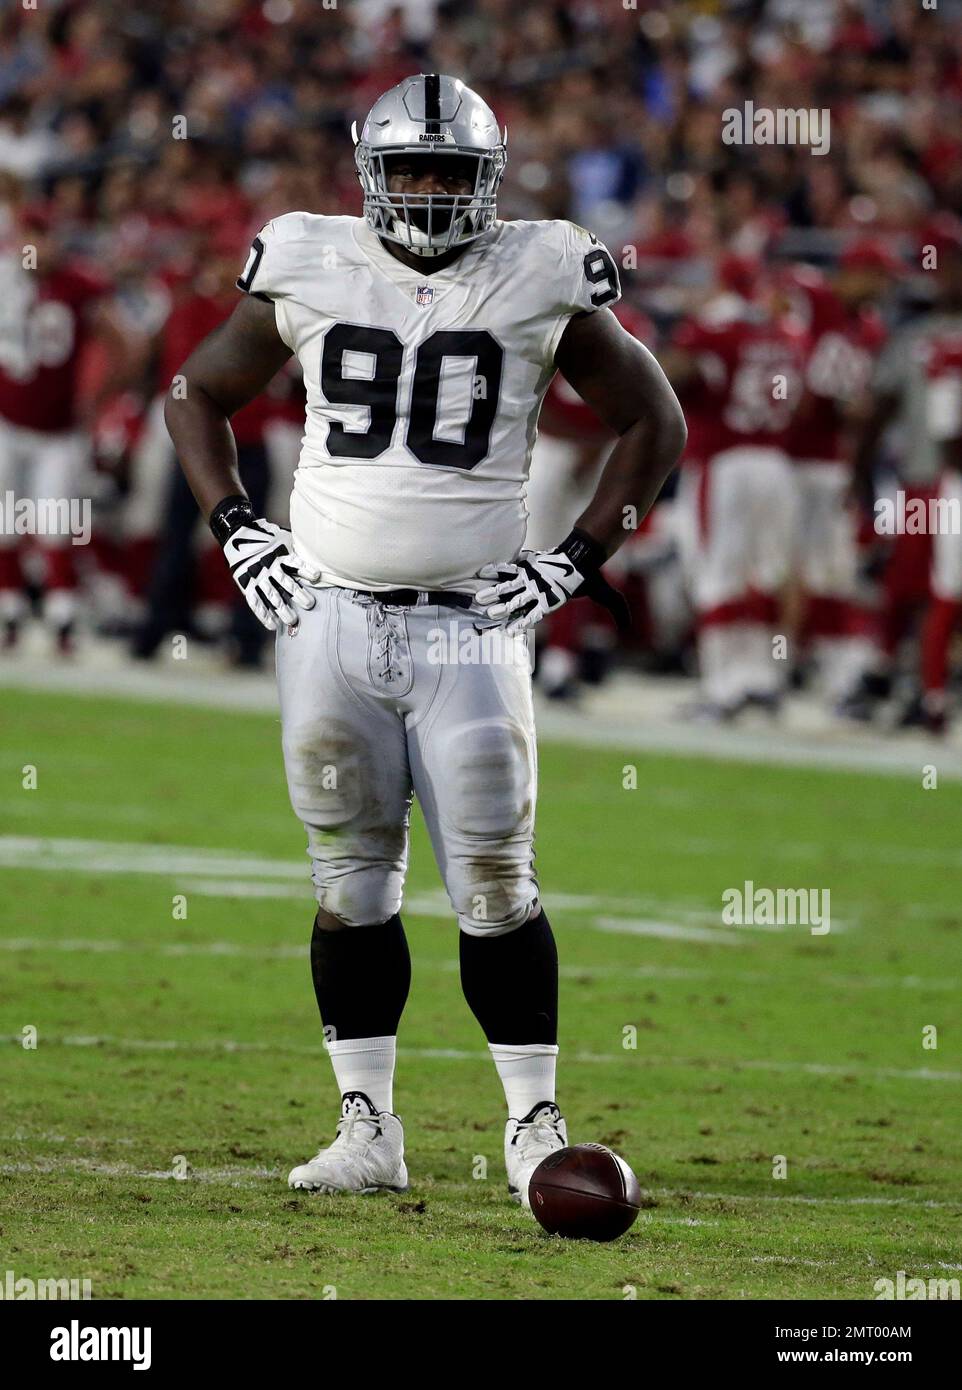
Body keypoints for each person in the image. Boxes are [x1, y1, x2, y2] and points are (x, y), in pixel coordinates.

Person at [164, 74, 685, 1209]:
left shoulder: (542, 266)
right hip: (323, 614)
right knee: (349, 877)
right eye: (414, 171)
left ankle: (531, 1123)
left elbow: (656, 420)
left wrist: (573, 560)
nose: (434, 192)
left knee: (494, 873)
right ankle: (367, 1125)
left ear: (489, 180)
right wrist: (234, 526)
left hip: (470, 621)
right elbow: (194, 393)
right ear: (372, 175)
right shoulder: (305, 255)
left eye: (454, 173)